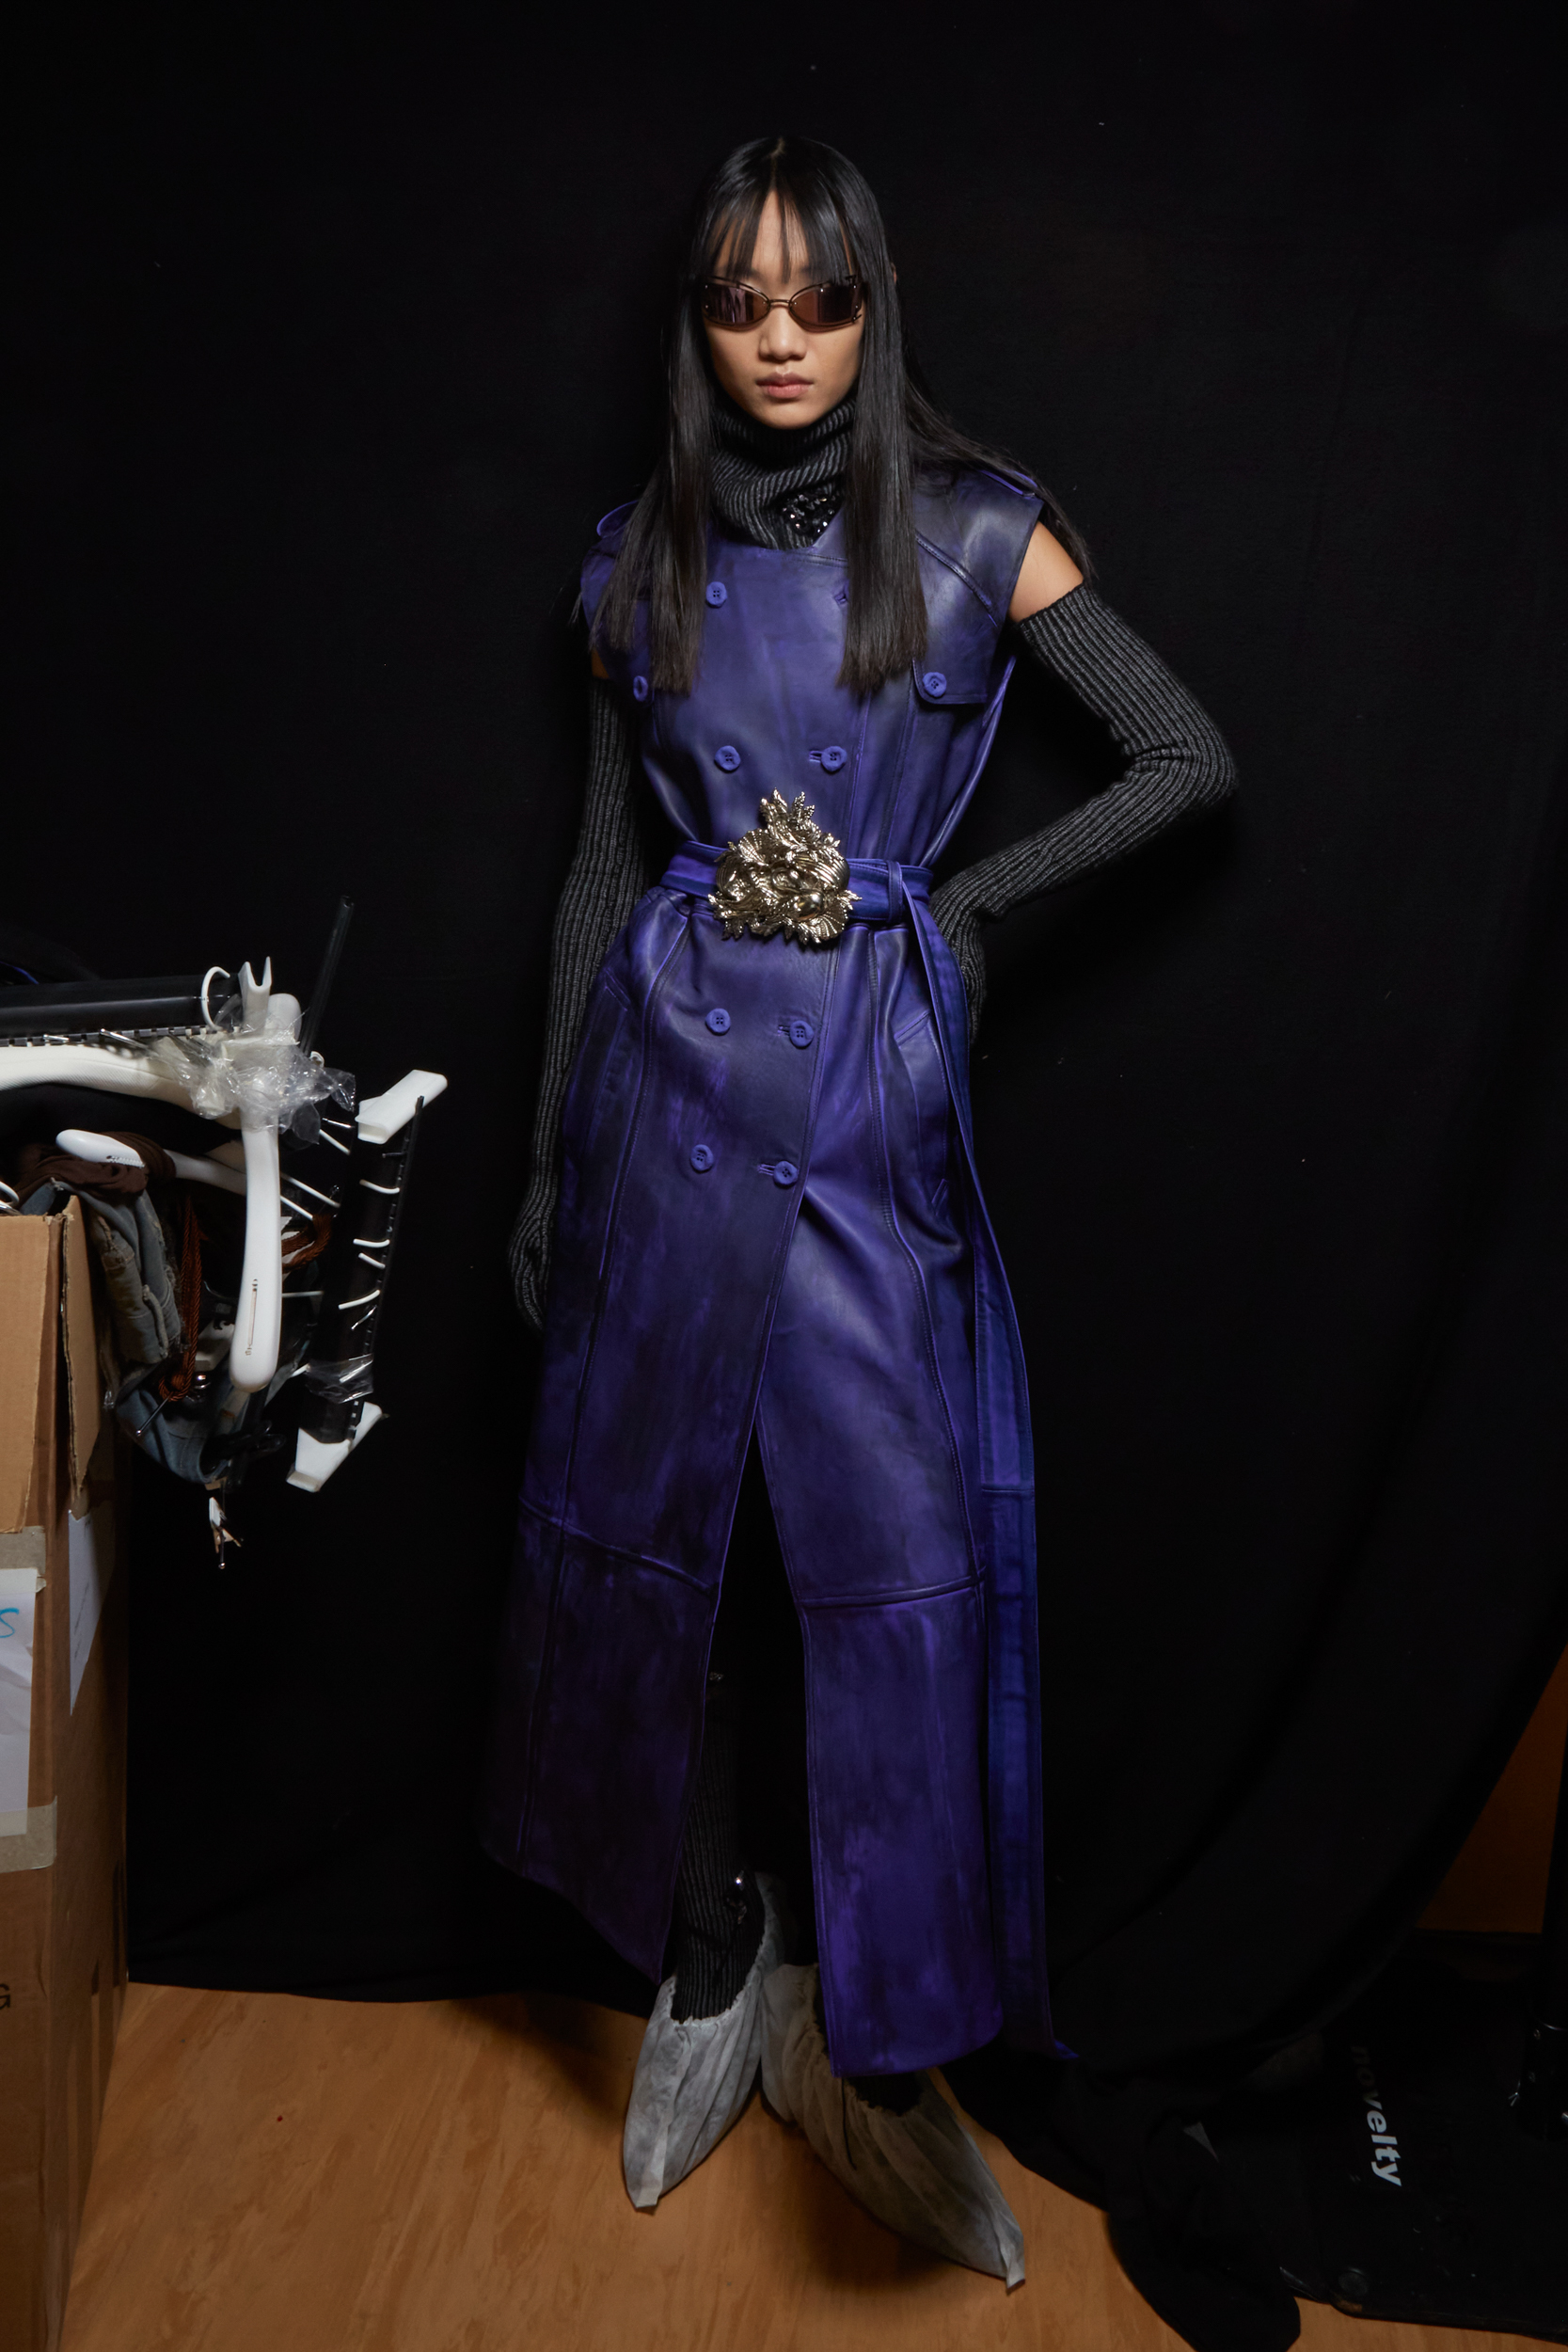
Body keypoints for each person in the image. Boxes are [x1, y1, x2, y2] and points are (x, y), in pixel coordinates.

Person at [483, 134, 1235, 2283]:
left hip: (863, 1107)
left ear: (875, 306)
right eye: (743, 304)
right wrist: (548, 1151)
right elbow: (602, 872)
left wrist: (963, 914)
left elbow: (1186, 757)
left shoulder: (980, 526)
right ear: (699, 325)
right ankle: (710, 1945)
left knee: (887, 1562)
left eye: (820, 299)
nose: (784, 340)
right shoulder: (636, 557)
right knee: (672, 1539)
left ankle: (885, 2041)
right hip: (663, 1093)